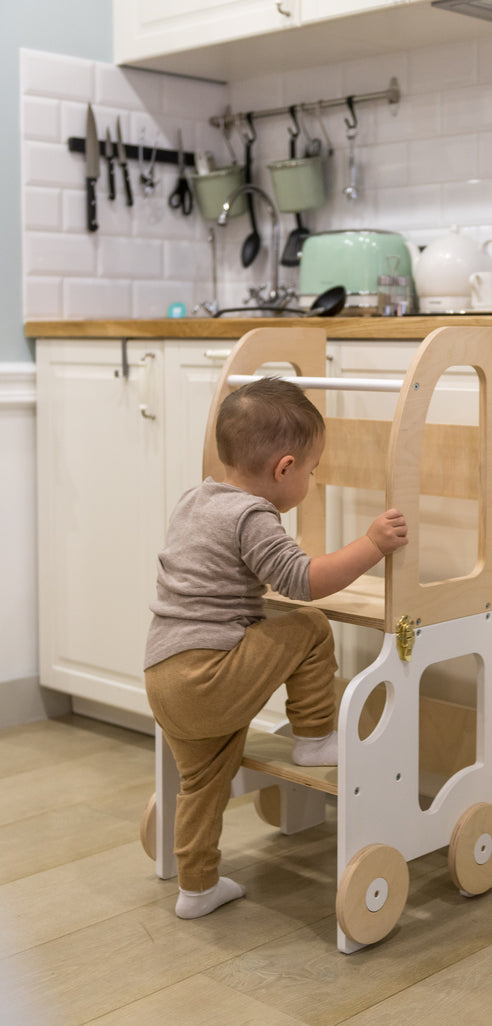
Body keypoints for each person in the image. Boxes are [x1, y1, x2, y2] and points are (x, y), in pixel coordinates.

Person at [144, 376, 408, 920]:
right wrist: (372, 544)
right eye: (312, 471)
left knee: (202, 782)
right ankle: (314, 739)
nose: (312, 480)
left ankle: (197, 889)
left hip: (163, 674)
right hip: (207, 673)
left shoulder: (197, 498)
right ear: (284, 468)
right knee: (308, 626)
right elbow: (303, 581)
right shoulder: (251, 515)